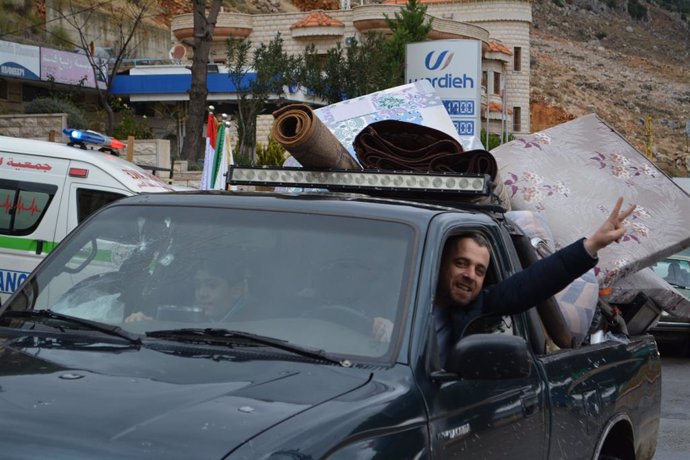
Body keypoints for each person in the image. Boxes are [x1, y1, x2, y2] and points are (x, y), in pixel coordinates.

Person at [434, 197, 636, 367]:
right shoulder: (406, 301)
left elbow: (536, 281)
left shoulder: (481, 305)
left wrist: (593, 244)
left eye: (480, 270)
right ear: (441, 265)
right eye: (461, 263)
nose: (470, 275)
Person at [124, 259, 248, 323]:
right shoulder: (186, 312)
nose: (202, 293)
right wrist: (144, 323)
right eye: (198, 285)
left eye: (212, 286)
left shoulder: (257, 324)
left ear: (236, 290)